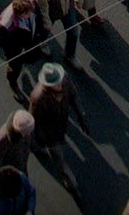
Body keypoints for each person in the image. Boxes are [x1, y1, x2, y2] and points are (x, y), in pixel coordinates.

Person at [28, 61, 88, 191]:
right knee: (58, 159)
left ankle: (36, 145)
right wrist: (44, 140)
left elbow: (73, 95)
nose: (60, 85)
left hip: (61, 123)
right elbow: (35, 122)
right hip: (48, 133)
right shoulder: (37, 98)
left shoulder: (64, 78)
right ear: (47, 85)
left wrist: (81, 115)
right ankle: (69, 182)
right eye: (56, 84)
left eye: (59, 81)